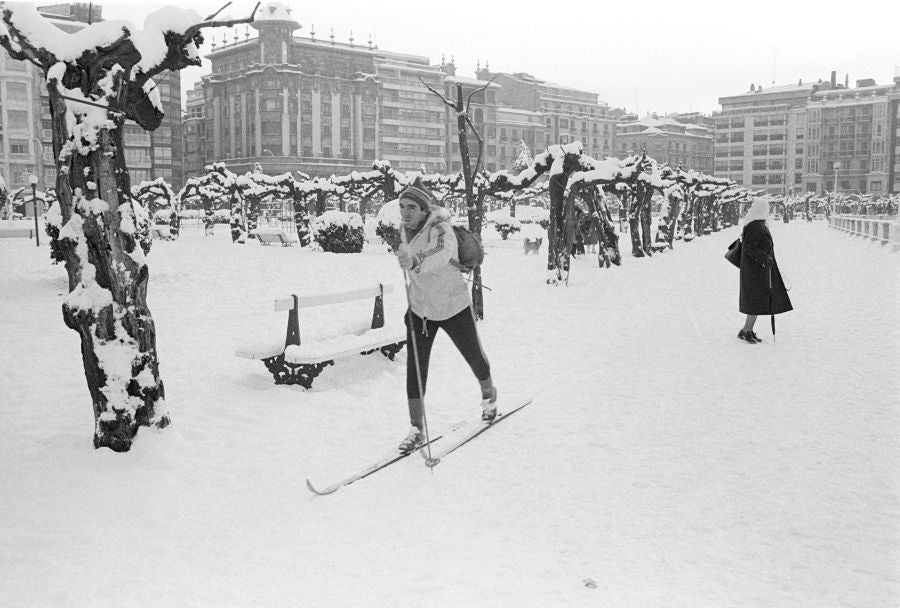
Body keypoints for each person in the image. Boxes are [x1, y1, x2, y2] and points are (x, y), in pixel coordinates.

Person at [394, 179, 496, 453]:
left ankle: (489, 395)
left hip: (454, 307)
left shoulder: (441, 228)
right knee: (415, 370)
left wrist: (415, 261)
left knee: (474, 357)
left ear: (425, 209)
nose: (406, 212)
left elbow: (441, 253)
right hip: (420, 312)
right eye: (402, 206)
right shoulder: (404, 231)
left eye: (412, 207)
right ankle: (416, 427)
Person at [737, 197, 792, 343]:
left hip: (757, 270)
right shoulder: (755, 225)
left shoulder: (758, 223)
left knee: (755, 302)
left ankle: (746, 330)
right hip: (755, 271)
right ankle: (746, 331)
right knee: (754, 302)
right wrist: (764, 258)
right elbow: (749, 247)